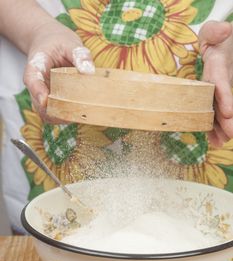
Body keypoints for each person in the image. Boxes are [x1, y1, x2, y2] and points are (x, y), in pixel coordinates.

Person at [0, 0, 233, 234]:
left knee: (201, 232)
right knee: (61, 232)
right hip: (57, 139)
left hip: (208, 150)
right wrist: (39, 30)